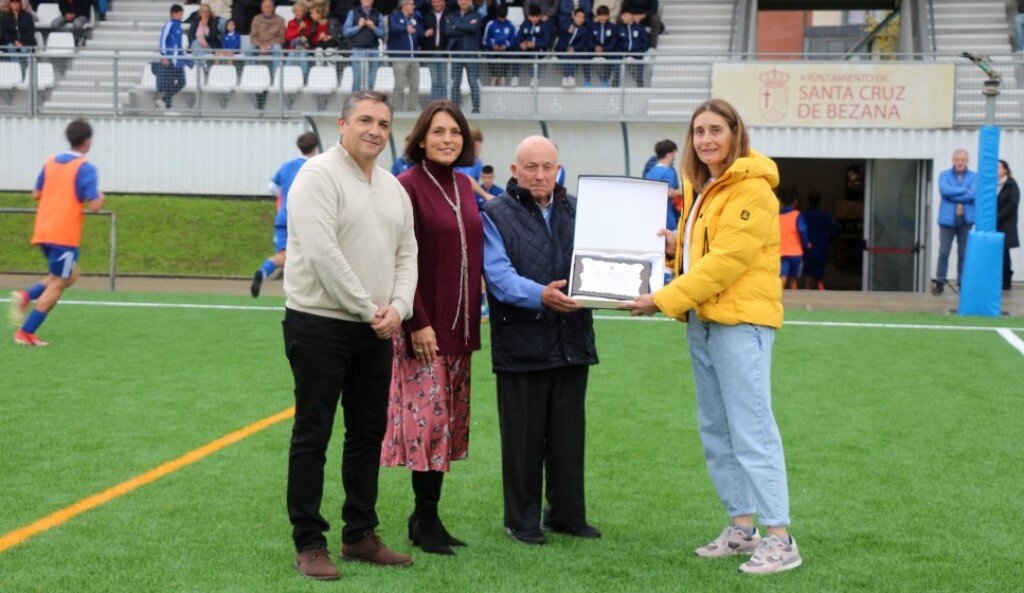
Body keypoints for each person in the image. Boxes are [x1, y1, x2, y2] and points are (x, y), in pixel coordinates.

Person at [621, 98, 802, 575]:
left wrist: (660, 299)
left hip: (741, 323)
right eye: (698, 131)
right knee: (717, 430)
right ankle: (743, 529)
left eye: (715, 130)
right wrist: (673, 245)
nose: (705, 139)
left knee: (752, 429)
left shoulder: (753, 189)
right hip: (704, 320)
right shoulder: (707, 187)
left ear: (735, 133)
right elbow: (708, 249)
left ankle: (780, 538)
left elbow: (727, 262)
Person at [283, 90, 417, 581]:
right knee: (312, 434)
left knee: (367, 435)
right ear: (341, 125)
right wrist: (371, 310)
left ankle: (359, 533)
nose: (375, 130)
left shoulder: (392, 187)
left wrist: (398, 308)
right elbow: (322, 255)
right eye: (365, 120)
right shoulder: (316, 176)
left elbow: (408, 254)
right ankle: (309, 541)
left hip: (375, 329)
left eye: (383, 123)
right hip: (319, 325)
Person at [481, 135, 601, 545]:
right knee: (523, 439)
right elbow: (498, 278)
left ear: (559, 169)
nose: (540, 174)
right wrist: (542, 295)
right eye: (530, 167)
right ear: (514, 171)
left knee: (569, 436)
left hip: (573, 341)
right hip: (522, 342)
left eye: (547, 166)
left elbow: (600, 262)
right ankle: (522, 521)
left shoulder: (579, 211)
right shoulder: (494, 214)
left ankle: (567, 515)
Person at [380, 100, 483, 557]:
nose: (447, 140)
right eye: (438, 132)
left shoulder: (464, 184)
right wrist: (416, 321)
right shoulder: (406, 186)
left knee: (447, 428)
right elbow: (398, 259)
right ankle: (424, 518)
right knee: (429, 425)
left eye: (455, 133)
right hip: (424, 330)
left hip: (461, 329)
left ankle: (428, 516)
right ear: (421, 137)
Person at [10, 119, 104, 347]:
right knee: (59, 283)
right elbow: (94, 205)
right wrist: (100, 195)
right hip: (63, 235)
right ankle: (26, 332)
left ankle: (25, 295)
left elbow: (35, 193)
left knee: (70, 275)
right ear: (88, 141)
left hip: (43, 230)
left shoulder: (50, 162)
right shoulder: (85, 167)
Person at [251, 132, 320, 298]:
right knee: (312, 255)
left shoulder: (287, 166)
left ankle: (263, 272)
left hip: (283, 217)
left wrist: (283, 197)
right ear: (316, 147)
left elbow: (272, 187)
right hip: (305, 219)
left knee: (284, 256)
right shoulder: (316, 167)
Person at [933, 149, 977, 295]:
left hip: (965, 221)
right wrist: (965, 189)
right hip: (947, 220)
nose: (959, 162)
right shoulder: (944, 175)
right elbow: (944, 191)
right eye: (957, 159)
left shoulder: (974, 177)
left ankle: (962, 283)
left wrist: (954, 193)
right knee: (944, 252)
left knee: (963, 254)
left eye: (962, 160)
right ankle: (940, 282)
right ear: (953, 160)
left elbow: (974, 195)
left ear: (967, 161)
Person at [444, 0, 482, 114]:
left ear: (470, 2)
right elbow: (448, 31)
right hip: (456, 53)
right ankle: (455, 109)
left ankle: (476, 109)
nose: (463, 1)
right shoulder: (452, 15)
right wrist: (466, 26)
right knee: (455, 83)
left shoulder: (476, 15)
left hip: (471, 53)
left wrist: (457, 25)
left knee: (473, 82)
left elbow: (473, 28)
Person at [387, 0, 423, 112]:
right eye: (411, 4)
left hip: (414, 57)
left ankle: (413, 109)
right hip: (399, 57)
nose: (414, 6)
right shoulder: (394, 16)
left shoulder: (415, 18)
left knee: (415, 85)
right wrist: (405, 29)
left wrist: (426, 32)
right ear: (404, 6)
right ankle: (396, 109)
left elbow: (420, 31)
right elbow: (393, 28)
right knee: (399, 85)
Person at [156, 4, 191, 111]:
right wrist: (164, 56)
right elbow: (162, 40)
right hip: (170, 60)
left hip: (178, 61)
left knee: (182, 82)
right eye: (180, 14)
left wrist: (186, 61)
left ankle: (164, 100)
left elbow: (178, 46)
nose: (182, 16)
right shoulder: (169, 24)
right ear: (174, 13)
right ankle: (168, 107)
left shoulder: (178, 26)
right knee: (170, 83)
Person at [344, 0, 385, 91]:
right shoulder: (353, 12)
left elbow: (383, 34)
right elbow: (346, 32)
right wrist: (358, 26)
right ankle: (355, 104)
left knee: (371, 81)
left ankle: (369, 103)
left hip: (373, 50)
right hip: (358, 50)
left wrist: (373, 27)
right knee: (357, 80)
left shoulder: (378, 14)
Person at [643, 138, 681, 229]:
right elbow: (669, 192)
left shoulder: (650, 172)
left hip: (652, 217)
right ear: (669, 154)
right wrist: (684, 192)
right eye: (674, 154)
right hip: (667, 219)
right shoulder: (669, 172)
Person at [801, 191, 836, 290]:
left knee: (807, 275)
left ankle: (806, 295)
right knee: (820, 276)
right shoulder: (825, 216)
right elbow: (833, 231)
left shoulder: (803, 215)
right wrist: (827, 242)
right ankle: (822, 295)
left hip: (807, 248)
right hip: (821, 248)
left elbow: (799, 231)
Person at [514, 5, 551, 87]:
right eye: (532, 16)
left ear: (540, 16)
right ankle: (515, 77)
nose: (533, 19)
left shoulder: (544, 25)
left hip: (538, 49)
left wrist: (535, 44)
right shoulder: (525, 23)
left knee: (534, 55)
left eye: (536, 17)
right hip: (525, 49)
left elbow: (547, 41)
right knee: (516, 52)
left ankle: (534, 78)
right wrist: (521, 43)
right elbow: (518, 37)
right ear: (529, 16)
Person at [554, 8, 591, 88]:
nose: (580, 19)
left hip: (575, 51)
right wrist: (566, 31)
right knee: (566, 56)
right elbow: (559, 37)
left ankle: (570, 77)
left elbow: (583, 43)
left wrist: (574, 48)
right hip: (562, 50)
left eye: (582, 17)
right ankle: (566, 77)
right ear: (573, 16)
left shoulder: (584, 30)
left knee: (575, 56)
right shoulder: (566, 25)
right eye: (578, 17)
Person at [998, 159, 1020, 290]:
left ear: (1005, 169)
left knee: (1004, 253)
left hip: (1006, 225)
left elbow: (1012, 204)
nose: (997, 170)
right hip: (993, 224)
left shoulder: (1011, 185)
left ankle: (1006, 281)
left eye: (999, 167)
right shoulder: (992, 185)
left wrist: (998, 216)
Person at [614, 8, 649, 87]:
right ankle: (616, 80)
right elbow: (615, 42)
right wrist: (620, 48)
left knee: (640, 56)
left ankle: (640, 81)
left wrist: (639, 48)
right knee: (616, 56)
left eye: (625, 15)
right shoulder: (619, 28)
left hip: (636, 51)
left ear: (631, 16)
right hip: (623, 51)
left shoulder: (640, 28)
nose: (623, 18)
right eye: (622, 16)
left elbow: (646, 43)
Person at [483, 4, 516, 85]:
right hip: (493, 49)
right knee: (489, 53)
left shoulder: (511, 24)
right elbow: (485, 39)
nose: (501, 19)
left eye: (503, 17)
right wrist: (493, 45)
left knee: (511, 53)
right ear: (497, 14)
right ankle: (494, 76)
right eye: (500, 17)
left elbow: (514, 40)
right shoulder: (490, 24)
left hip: (506, 50)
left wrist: (506, 46)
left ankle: (503, 77)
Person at [248, 0, 285, 72]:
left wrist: (269, 46)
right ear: (261, 8)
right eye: (265, 7)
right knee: (249, 48)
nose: (267, 9)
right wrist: (260, 45)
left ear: (273, 8)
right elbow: (253, 37)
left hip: (272, 46)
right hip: (259, 46)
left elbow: (281, 38)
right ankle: (250, 73)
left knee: (278, 48)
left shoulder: (280, 20)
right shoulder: (256, 19)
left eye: (269, 7)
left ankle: (276, 74)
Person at [422, 0, 448, 100]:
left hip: (445, 53)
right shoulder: (427, 16)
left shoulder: (449, 15)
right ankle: (435, 105)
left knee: (444, 81)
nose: (437, 4)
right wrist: (425, 33)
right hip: (432, 53)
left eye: (439, 1)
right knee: (435, 81)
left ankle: (444, 104)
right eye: (434, 2)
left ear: (444, 2)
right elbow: (422, 34)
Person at [187, 2, 221, 71]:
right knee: (195, 44)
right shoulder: (196, 21)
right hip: (197, 47)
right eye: (203, 11)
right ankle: (204, 65)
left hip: (209, 48)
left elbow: (213, 37)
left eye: (207, 11)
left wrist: (206, 26)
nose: (205, 14)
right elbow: (190, 35)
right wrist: (197, 43)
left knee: (196, 52)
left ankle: (198, 73)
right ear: (200, 12)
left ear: (210, 12)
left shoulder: (213, 22)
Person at [285, 2, 315, 78]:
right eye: (296, 11)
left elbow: (309, 36)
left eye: (300, 11)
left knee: (303, 54)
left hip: (304, 47)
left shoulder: (308, 23)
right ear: (294, 12)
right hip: (293, 47)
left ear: (304, 12)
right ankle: (288, 76)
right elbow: (288, 36)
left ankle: (304, 76)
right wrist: (299, 29)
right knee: (291, 54)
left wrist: (305, 28)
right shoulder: (290, 22)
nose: (298, 13)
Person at [590, 5, 616, 87]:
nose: (602, 17)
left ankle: (606, 80)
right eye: (600, 15)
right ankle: (587, 80)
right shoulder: (592, 26)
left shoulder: (613, 27)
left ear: (608, 16)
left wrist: (603, 49)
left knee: (612, 57)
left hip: (607, 50)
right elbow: (589, 40)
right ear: (597, 16)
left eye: (604, 15)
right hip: (594, 50)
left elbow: (613, 42)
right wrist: (595, 47)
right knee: (586, 55)